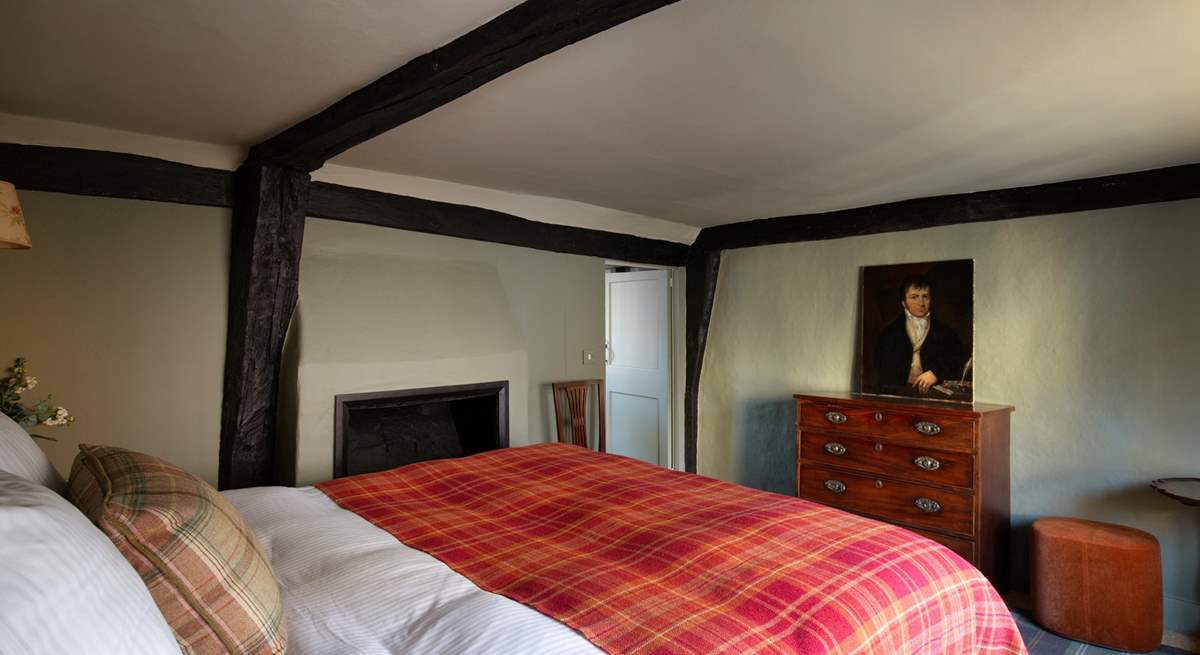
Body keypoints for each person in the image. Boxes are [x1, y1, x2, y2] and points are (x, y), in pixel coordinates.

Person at [874, 276, 966, 396]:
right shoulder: (889, 333)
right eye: (914, 297)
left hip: (933, 393)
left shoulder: (946, 332)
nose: (921, 303)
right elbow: (880, 367)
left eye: (925, 297)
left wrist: (936, 373)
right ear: (904, 302)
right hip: (898, 393)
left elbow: (957, 361)